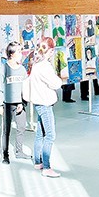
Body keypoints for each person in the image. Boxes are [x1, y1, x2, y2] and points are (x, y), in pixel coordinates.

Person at [23, 37, 65, 178]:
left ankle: (38, 161)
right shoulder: (45, 66)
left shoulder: (36, 64)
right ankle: (46, 167)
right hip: (45, 104)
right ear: (51, 50)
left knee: (40, 134)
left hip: (38, 103)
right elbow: (56, 84)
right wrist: (59, 78)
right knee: (50, 135)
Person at [0, 41, 31, 164]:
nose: (21, 53)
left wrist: (22, 102)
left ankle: (19, 151)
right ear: (12, 54)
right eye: (19, 51)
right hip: (7, 105)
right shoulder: (3, 69)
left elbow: (25, 88)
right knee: (6, 130)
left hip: (19, 104)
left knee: (21, 127)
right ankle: (5, 155)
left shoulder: (22, 70)